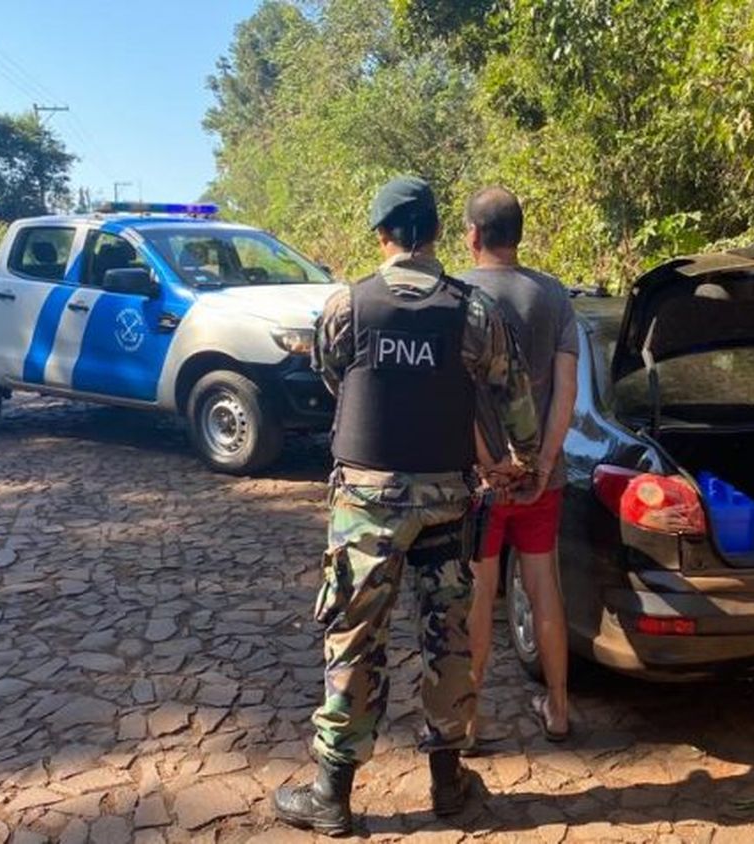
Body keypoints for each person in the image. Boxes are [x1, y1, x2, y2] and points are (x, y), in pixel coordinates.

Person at [272, 176, 541, 836]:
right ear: (438, 234)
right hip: (448, 499)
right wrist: (526, 462)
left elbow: (338, 378)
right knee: (445, 638)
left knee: (354, 637)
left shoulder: (347, 305)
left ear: (382, 235)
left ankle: (332, 795)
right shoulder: (472, 311)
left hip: (366, 503)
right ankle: (449, 786)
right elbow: (513, 394)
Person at [459, 186, 579, 744]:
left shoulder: (456, 297)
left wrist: (487, 465)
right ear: (520, 235)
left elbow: (455, 397)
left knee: (479, 593)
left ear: (473, 236)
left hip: (480, 482)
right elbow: (566, 391)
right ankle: (557, 708)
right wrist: (541, 466)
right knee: (543, 587)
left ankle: (469, 718)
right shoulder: (554, 297)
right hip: (540, 480)